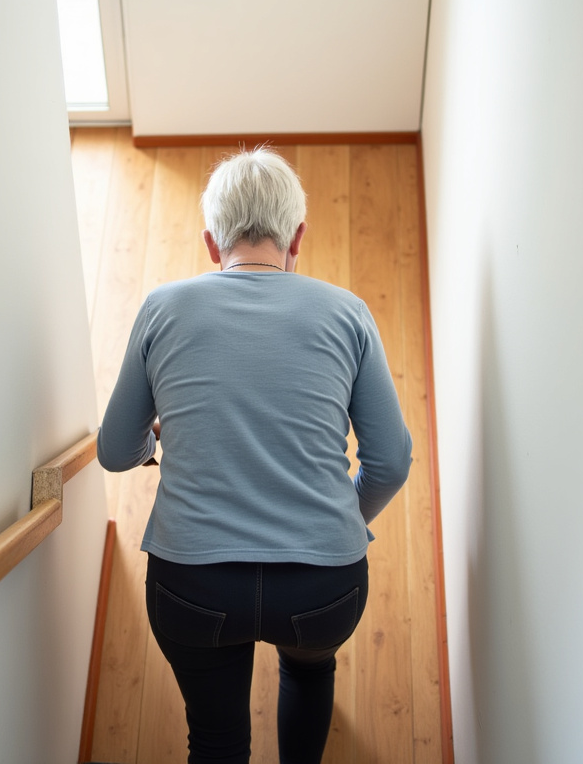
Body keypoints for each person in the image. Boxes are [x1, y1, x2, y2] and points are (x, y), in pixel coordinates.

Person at [97, 147, 412, 764]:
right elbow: (391, 462)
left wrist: (157, 443)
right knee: (310, 670)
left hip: (193, 586)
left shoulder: (162, 308)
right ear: (298, 237)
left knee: (215, 740)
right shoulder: (347, 313)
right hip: (324, 588)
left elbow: (114, 451)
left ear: (212, 244)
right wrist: (342, 519)